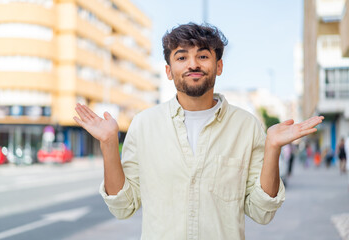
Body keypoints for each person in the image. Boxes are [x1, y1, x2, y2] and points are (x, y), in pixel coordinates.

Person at [73, 23, 324, 239]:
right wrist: (108, 143)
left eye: (203, 56)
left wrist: (272, 149)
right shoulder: (144, 124)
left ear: (219, 66)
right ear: (169, 71)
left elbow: (262, 211)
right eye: (182, 57)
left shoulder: (246, 126)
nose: (193, 64)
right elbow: (123, 207)